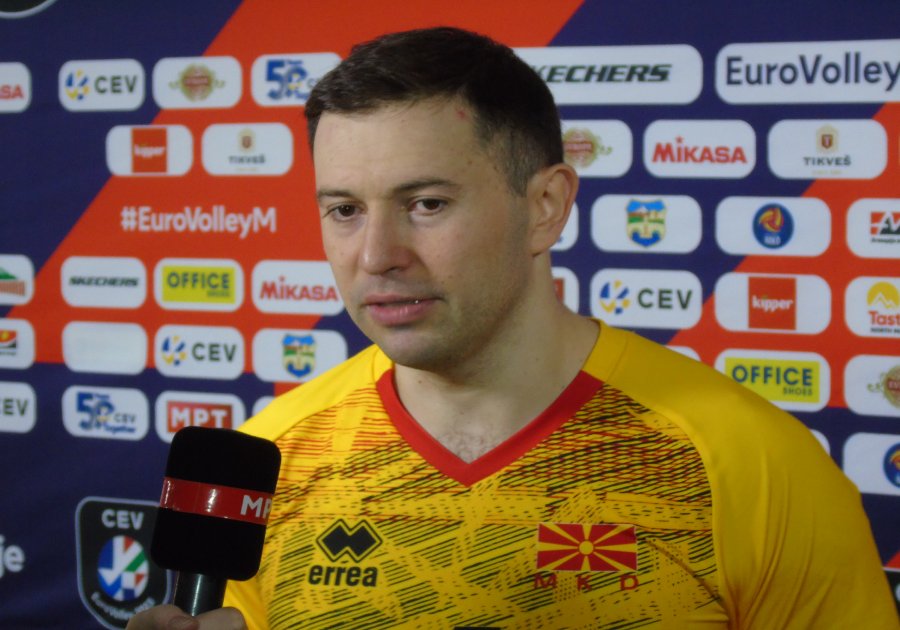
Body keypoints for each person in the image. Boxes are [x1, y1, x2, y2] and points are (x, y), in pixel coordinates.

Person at [128, 27, 898, 629]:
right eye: (345, 210)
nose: (376, 255)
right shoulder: (271, 459)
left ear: (546, 207)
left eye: (426, 204)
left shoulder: (748, 463)